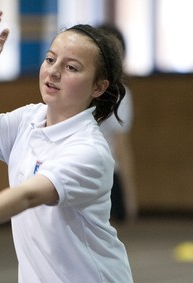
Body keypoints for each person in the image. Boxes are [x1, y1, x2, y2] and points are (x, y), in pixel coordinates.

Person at [0, 11, 133, 283]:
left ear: (99, 87)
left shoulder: (91, 150)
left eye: (71, 67)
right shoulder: (28, 119)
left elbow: (29, 195)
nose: (53, 71)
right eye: (51, 59)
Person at [98, 24, 138, 224]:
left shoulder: (81, 89)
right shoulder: (120, 94)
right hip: (106, 174)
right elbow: (121, 147)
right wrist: (130, 196)